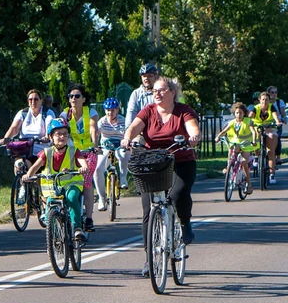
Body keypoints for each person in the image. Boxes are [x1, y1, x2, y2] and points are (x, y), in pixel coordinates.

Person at [122, 76, 201, 276]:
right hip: (153, 163)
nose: (156, 93)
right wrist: (127, 138)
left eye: (161, 90)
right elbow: (134, 127)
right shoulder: (148, 111)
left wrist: (193, 137)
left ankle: (184, 223)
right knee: (148, 209)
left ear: (172, 92)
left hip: (181, 161)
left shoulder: (184, 111)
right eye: (154, 91)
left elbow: (193, 128)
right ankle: (150, 258)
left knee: (177, 194)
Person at [23, 118, 90, 241]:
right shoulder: (46, 152)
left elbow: (83, 162)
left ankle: (77, 228)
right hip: (51, 188)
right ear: (51, 136)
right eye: (58, 134)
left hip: (71, 184)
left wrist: (84, 168)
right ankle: (53, 236)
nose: (62, 137)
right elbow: (35, 166)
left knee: (72, 198)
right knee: (50, 205)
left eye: (65, 134)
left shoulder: (73, 150)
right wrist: (28, 175)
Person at [62, 83, 98, 230]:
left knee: (87, 182)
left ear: (83, 99)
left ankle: (89, 218)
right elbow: (59, 129)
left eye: (77, 96)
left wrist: (95, 146)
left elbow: (93, 128)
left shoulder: (90, 112)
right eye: (71, 96)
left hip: (89, 152)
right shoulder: (65, 114)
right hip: (72, 153)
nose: (73, 99)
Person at [94, 97, 129, 210]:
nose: (110, 112)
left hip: (119, 146)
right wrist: (95, 145)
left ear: (117, 110)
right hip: (105, 147)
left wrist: (127, 142)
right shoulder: (102, 122)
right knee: (98, 169)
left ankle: (123, 177)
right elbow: (96, 133)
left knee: (124, 154)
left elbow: (128, 132)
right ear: (105, 110)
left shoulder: (123, 121)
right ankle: (101, 198)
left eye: (113, 110)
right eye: (108, 110)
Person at [1, 89, 54, 163]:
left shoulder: (47, 112)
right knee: (20, 165)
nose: (33, 101)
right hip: (23, 150)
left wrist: (47, 137)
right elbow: (14, 128)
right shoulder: (23, 113)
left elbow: (50, 125)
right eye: (30, 99)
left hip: (41, 152)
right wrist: (6, 138)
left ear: (41, 101)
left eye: (36, 99)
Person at [215, 102, 255, 194]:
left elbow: (253, 132)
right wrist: (218, 137)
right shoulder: (232, 122)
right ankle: (229, 166)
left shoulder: (248, 121)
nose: (239, 115)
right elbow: (224, 131)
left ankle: (249, 185)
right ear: (234, 113)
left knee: (244, 162)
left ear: (244, 113)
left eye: (240, 113)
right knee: (231, 150)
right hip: (236, 143)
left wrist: (253, 140)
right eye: (237, 113)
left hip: (246, 145)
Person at [249, 91, 282, 184]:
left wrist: (277, 122)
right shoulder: (255, 108)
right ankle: (256, 156)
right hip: (258, 128)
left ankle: (272, 174)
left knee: (271, 151)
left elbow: (276, 117)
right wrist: (248, 121)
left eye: (266, 99)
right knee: (255, 137)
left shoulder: (272, 107)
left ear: (269, 100)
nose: (264, 101)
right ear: (259, 100)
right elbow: (250, 116)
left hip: (270, 128)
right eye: (263, 99)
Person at [125, 63, 159, 130]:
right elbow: (131, 113)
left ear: (155, 76)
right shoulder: (136, 94)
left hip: (159, 130)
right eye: (144, 76)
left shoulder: (161, 92)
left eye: (150, 76)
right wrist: (128, 131)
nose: (146, 78)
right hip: (141, 132)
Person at [267, 86, 286, 166]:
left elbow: (282, 112)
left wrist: (283, 118)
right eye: (272, 92)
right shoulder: (266, 102)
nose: (274, 94)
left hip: (277, 123)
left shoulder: (279, 102)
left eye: (275, 92)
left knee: (277, 139)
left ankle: (278, 157)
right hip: (267, 123)